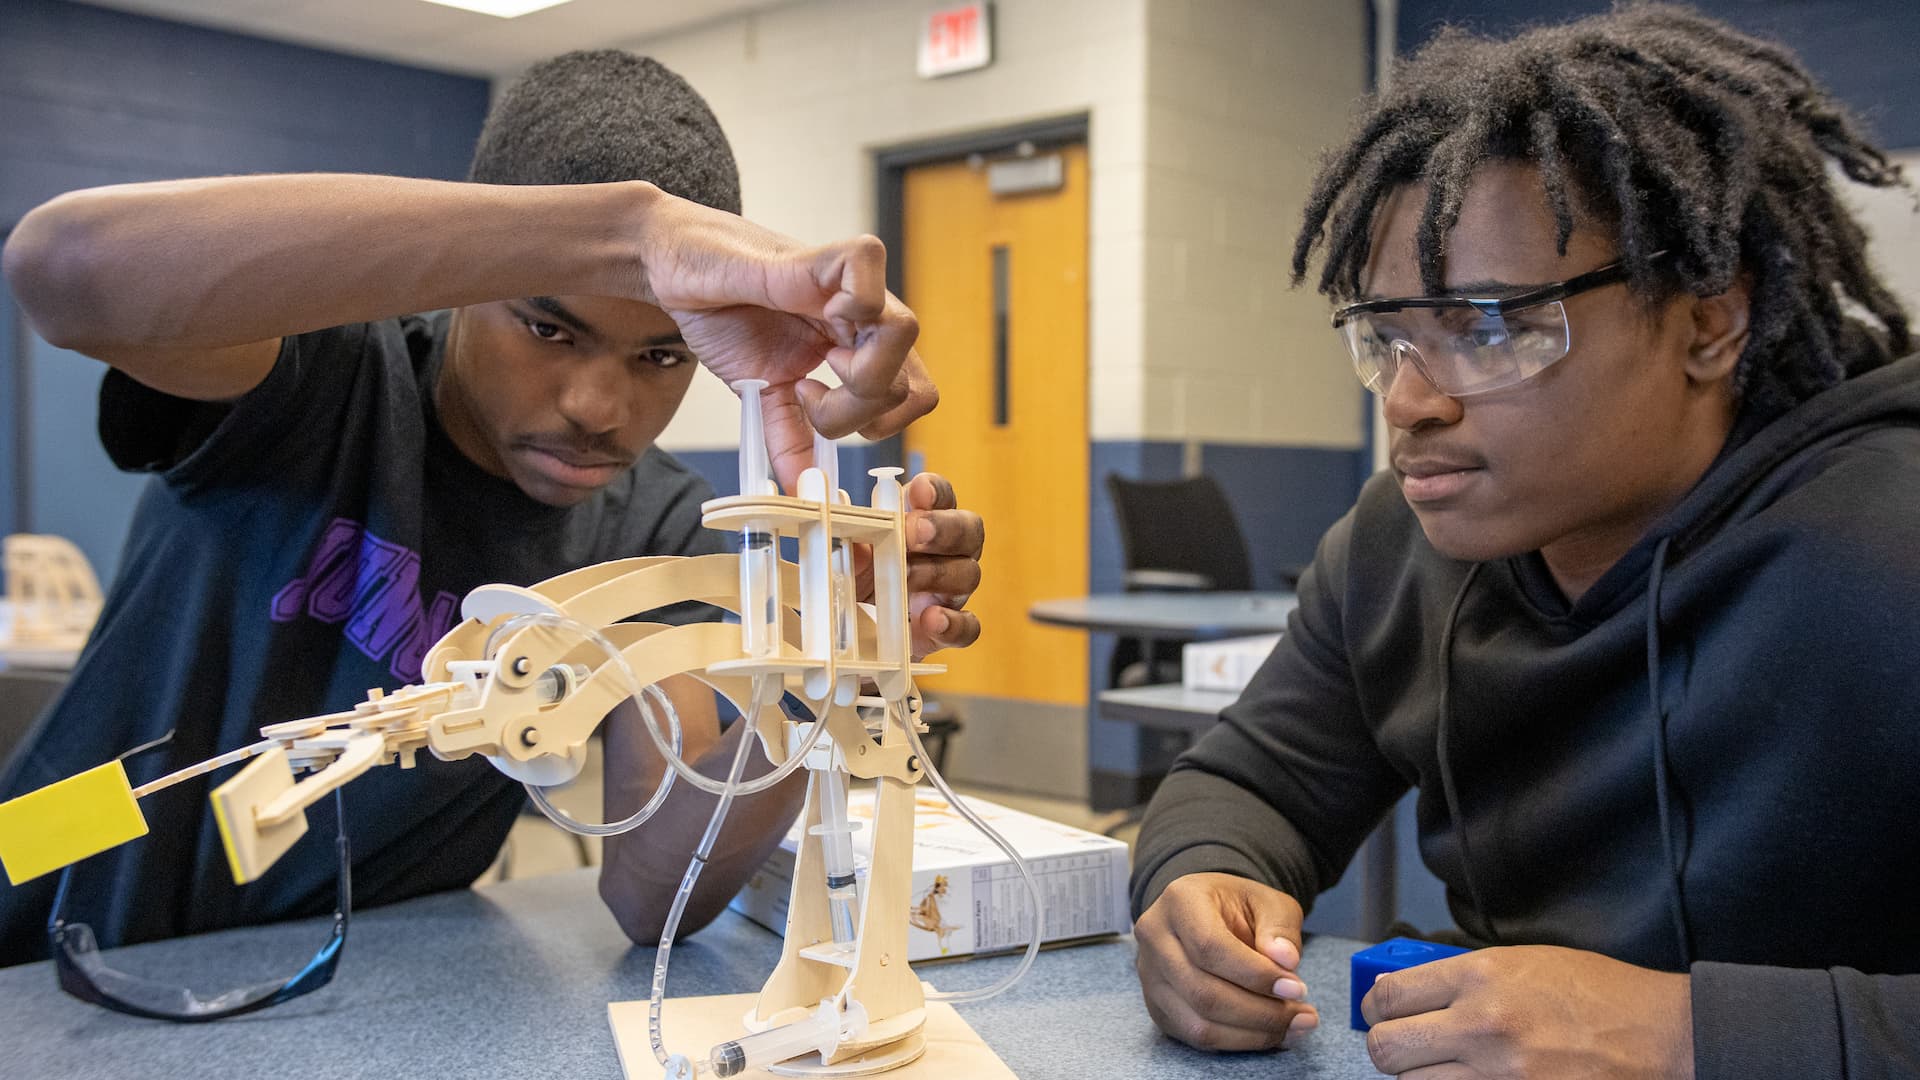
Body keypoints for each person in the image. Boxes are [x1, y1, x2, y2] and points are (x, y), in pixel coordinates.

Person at [0, 51, 983, 967]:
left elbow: (651, 891)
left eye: (661, 356)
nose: (599, 408)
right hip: (47, 938)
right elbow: (63, 266)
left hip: (343, 995)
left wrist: (821, 672)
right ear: (474, 286)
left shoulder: (656, 532)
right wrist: (630, 233)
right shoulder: (320, 376)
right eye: (550, 327)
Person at [1130, 6, 1918, 1077]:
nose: (1409, 402)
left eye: (1490, 326)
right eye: (1389, 337)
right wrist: (1202, 883)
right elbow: (1254, 783)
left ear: (1708, 323)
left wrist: (1687, 1036)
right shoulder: (1398, 543)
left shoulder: (1892, 546)